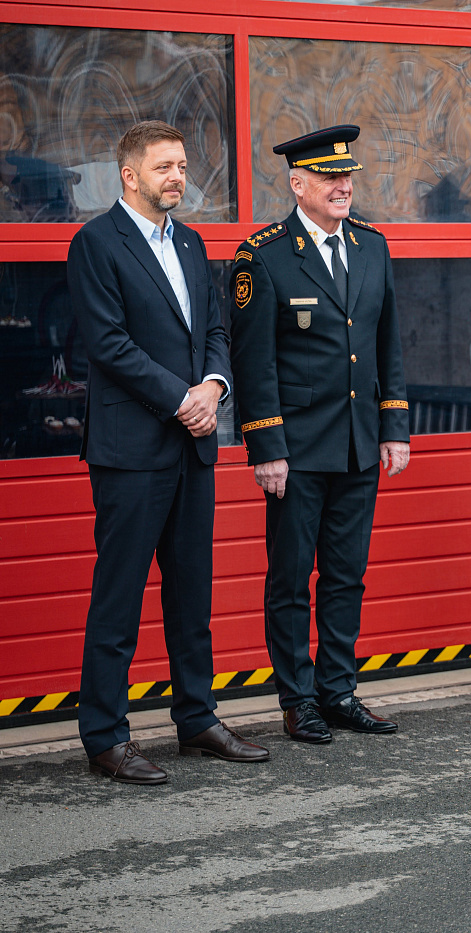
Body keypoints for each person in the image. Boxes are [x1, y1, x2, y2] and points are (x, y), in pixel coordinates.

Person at [68, 120, 269, 783]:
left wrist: (214, 387)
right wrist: (181, 398)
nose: (178, 176)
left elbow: (215, 329)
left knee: (191, 595)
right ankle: (105, 735)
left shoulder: (190, 241)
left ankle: (197, 718)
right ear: (129, 176)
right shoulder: (96, 243)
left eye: (182, 165)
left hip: (194, 444)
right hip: (131, 451)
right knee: (119, 598)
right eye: (163, 167)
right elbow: (108, 343)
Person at [230, 125, 411, 743]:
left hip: (358, 443)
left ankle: (338, 691)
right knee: (289, 579)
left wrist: (394, 425)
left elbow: (388, 344)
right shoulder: (264, 255)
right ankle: (297, 698)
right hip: (298, 450)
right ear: (297, 184)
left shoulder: (371, 246)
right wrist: (267, 447)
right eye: (329, 178)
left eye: (347, 176)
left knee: (345, 574)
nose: (343, 186)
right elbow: (254, 363)